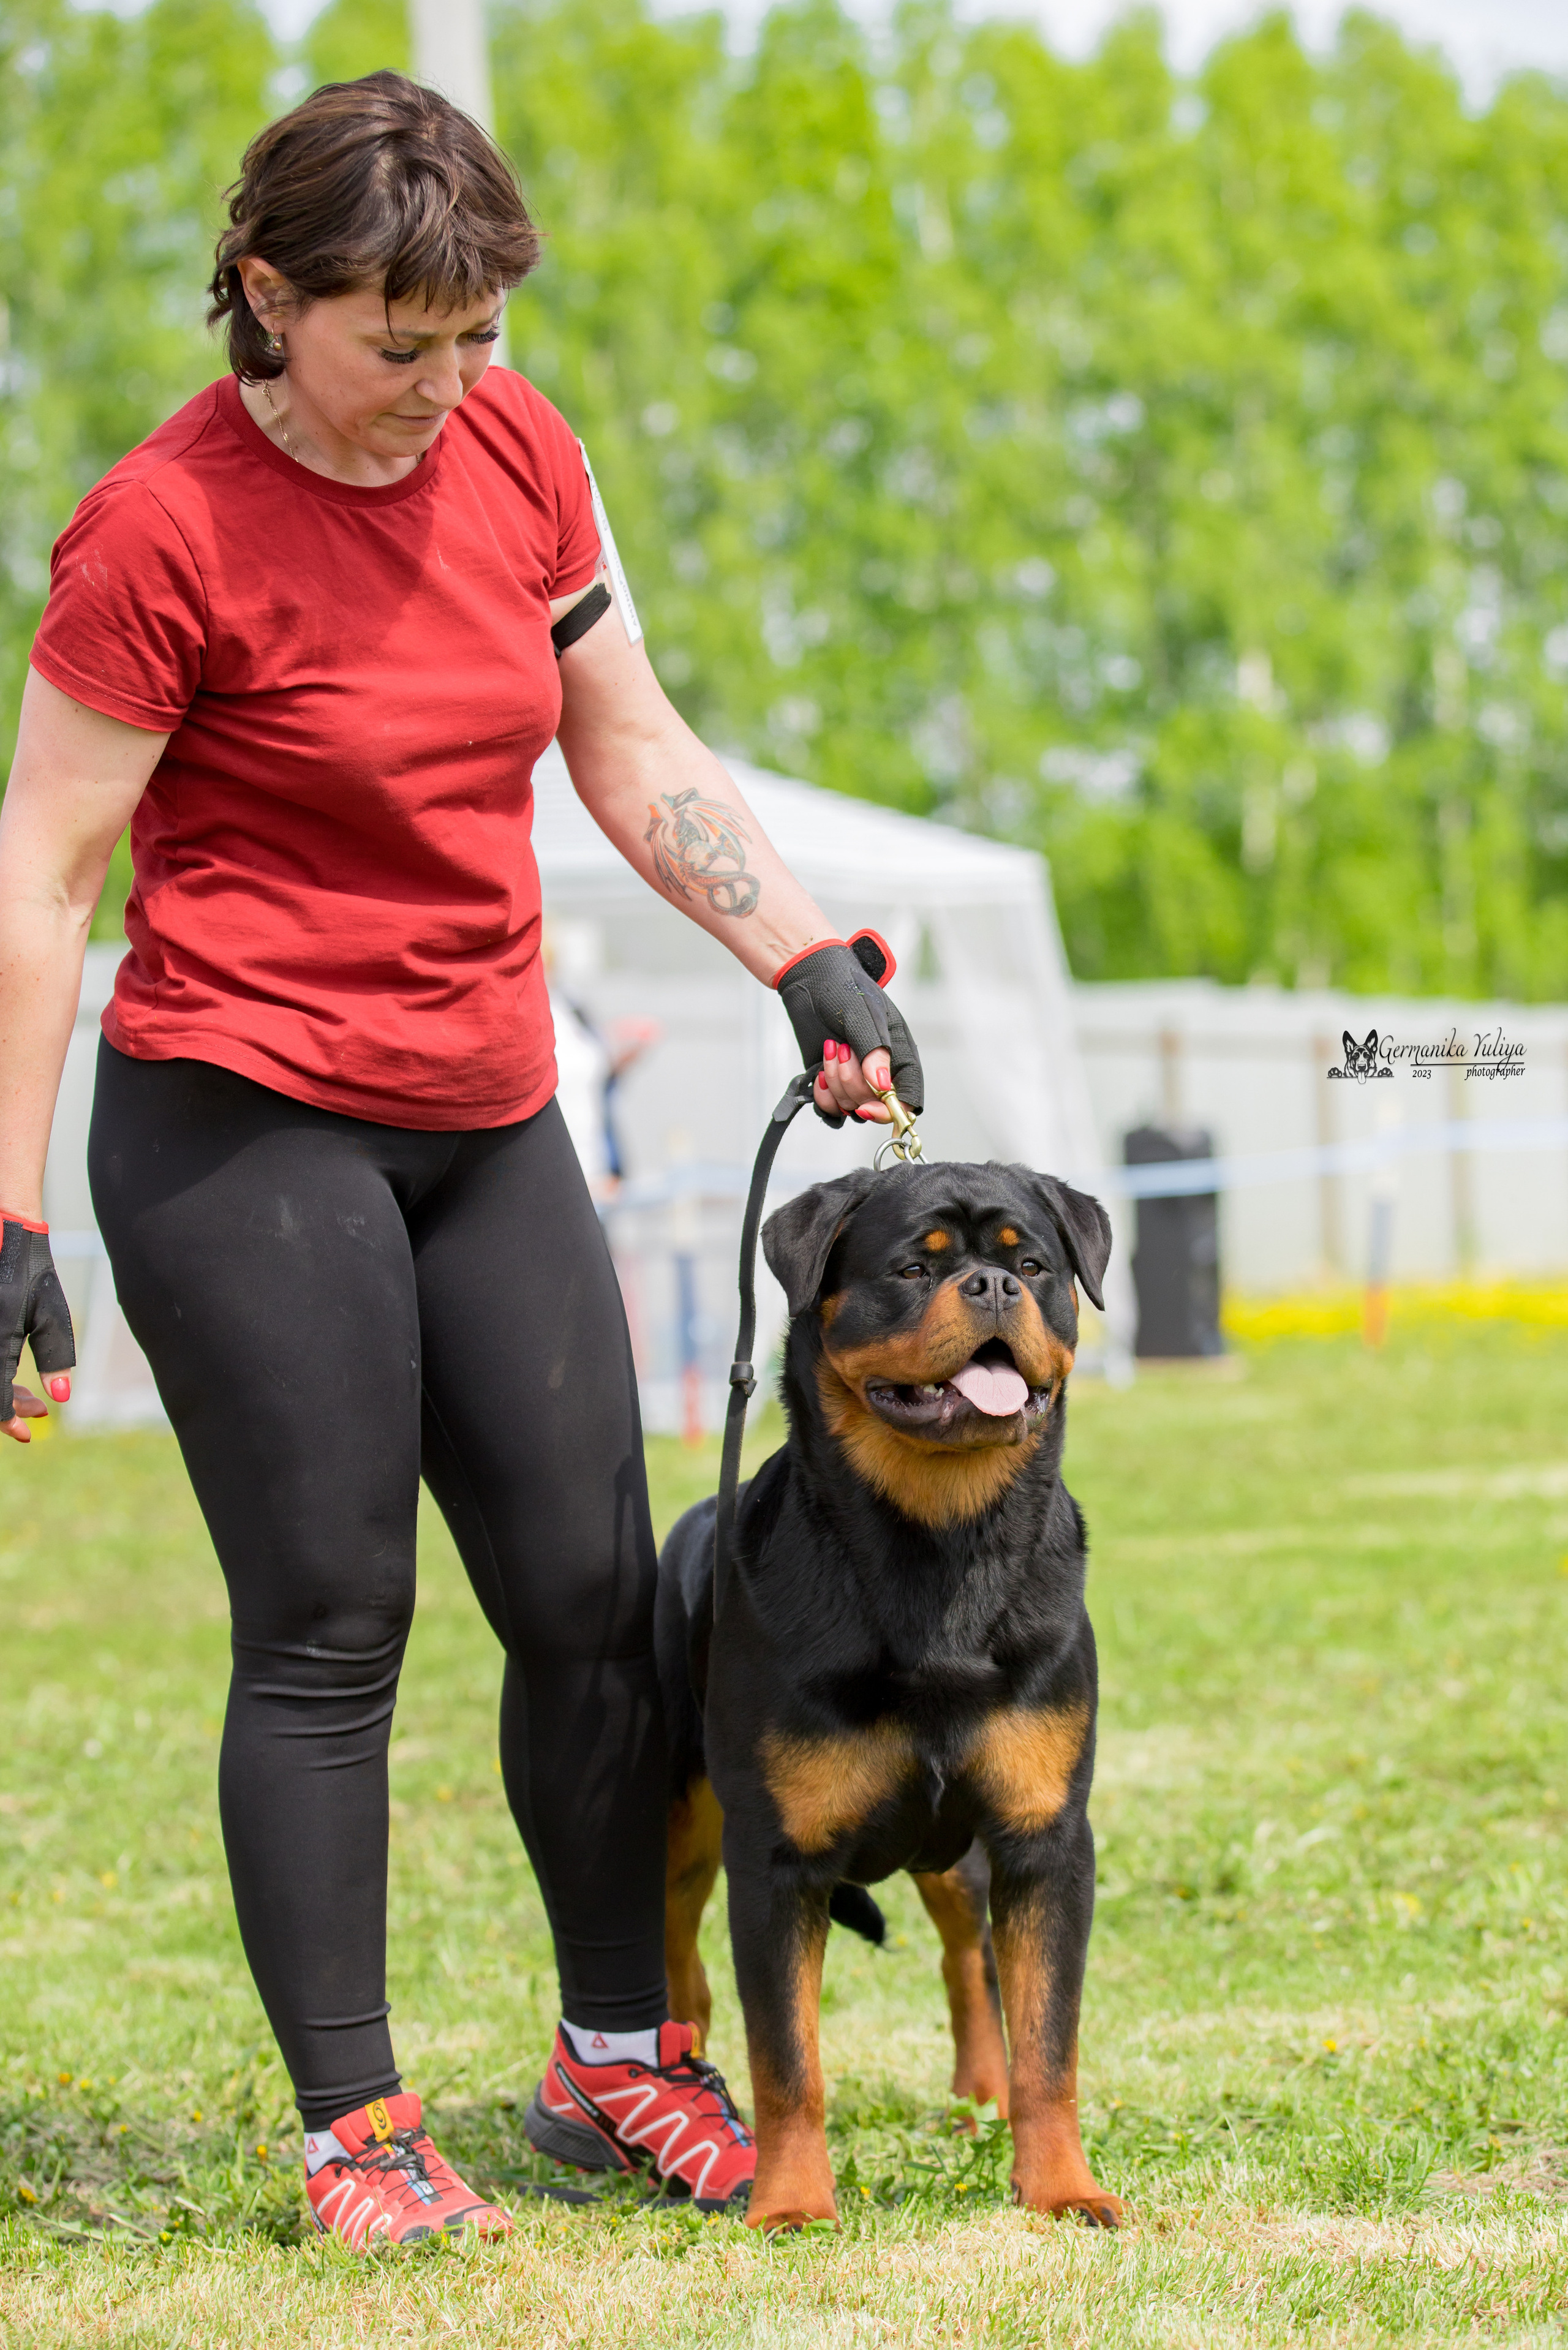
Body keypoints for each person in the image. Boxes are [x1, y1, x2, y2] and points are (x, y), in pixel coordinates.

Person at [0, 72, 922, 2247]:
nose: (446, 384)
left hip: (487, 1098)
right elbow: (45, 872)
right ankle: (356, 2132)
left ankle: (617, 2065)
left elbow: (629, 738)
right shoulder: (163, 529)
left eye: (478, 334)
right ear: (265, 297)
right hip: (244, 1108)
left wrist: (797, 950)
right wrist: (12, 1200)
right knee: (330, 1621)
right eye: (395, 344)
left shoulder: (520, 453)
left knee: (597, 1604)